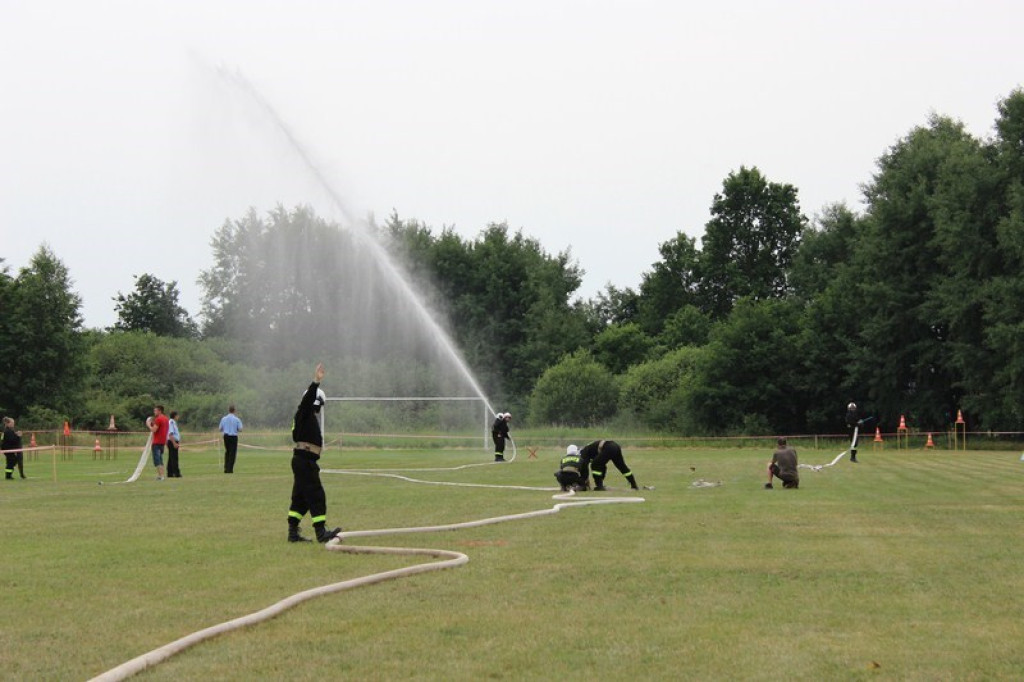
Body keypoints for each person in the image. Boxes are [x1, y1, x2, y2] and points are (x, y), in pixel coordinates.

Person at [287, 362, 341, 544]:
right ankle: (321, 532)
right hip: (304, 460)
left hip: (304, 460)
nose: (319, 410)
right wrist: (316, 382)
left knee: (300, 498)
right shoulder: (304, 412)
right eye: (319, 405)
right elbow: (308, 400)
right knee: (317, 494)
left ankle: (293, 533)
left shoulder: (306, 417)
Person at [219, 404, 243, 473]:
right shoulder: (237, 419)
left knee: (227, 452)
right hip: (233, 436)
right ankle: (230, 469)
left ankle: (226, 468)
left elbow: (220, 429)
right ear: (234, 410)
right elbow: (240, 429)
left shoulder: (223, 418)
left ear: (228, 410)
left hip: (226, 436)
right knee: (232, 453)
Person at [147, 405, 169, 481]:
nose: (154, 412)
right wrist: (153, 424)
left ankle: (161, 476)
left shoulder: (159, 419)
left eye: (155, 410)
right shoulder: (166, 418)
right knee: (160, 459)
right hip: (162, 442)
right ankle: (161, 475)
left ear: (160, 411)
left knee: (157, 460)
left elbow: (154, 430)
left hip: (156, 442)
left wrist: (149, 425)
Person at [166, 410, 182, 478]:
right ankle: (176, 473)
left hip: (173, 441)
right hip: (172, 441)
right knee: (174, 458)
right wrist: (174, 443)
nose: (178, 417)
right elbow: (171, 434)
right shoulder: (171, 422)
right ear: (175, 416)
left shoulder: (173, 422)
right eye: (177, 415)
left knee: (171, 457)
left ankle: (170, 473)